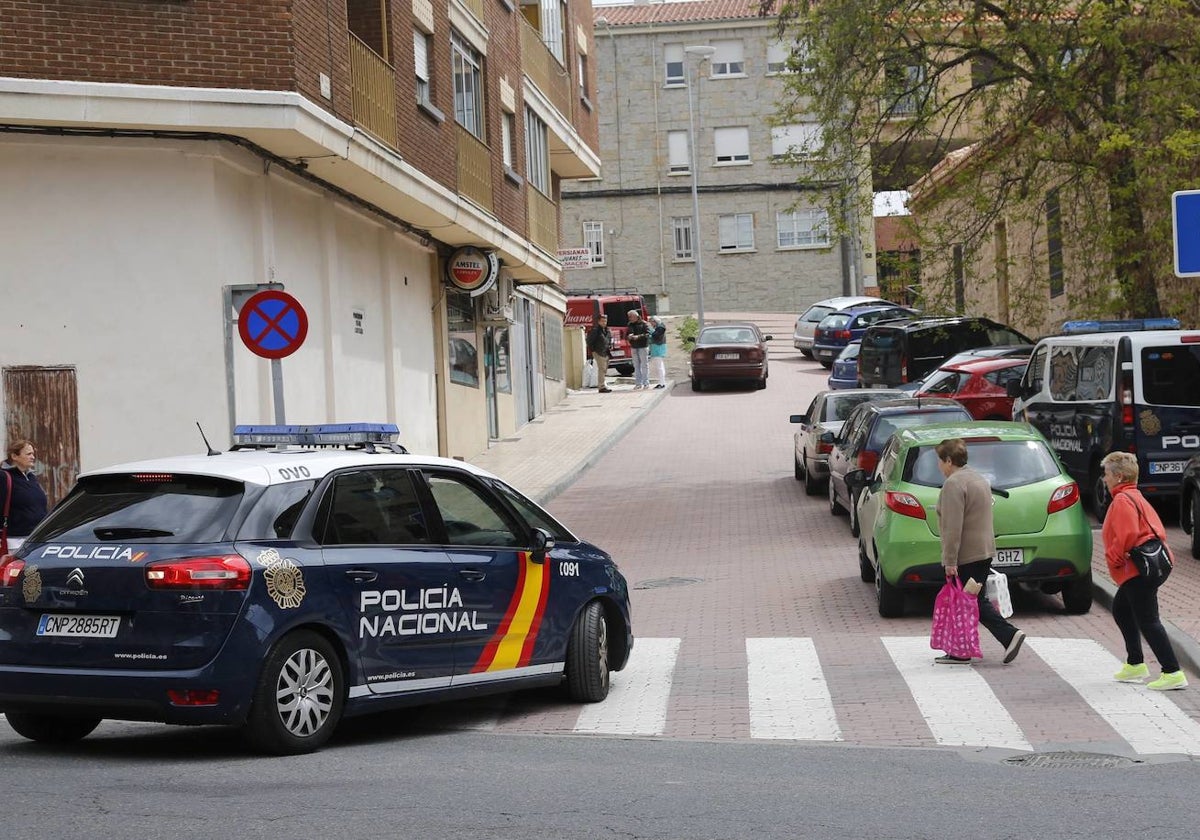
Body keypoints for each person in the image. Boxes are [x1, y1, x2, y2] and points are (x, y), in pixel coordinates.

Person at [934, 437, 1026, 665]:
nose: (938, 466)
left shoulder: (954, 484)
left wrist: (950, 559)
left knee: (968, 601)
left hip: (966, 554)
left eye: (939, 461)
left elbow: (952, 526)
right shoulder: (978, 478)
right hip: (983, 551)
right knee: (973, 599)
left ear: (948, 460)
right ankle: (967, 648)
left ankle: (1005, 636)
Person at [1100, 451, 1187, 690]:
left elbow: (1127, 535)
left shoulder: (1122, 500)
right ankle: (1135, 663)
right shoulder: (1134, 495)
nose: (1104, 479)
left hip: (1135, 570)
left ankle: (1172, 671)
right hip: (1144, 568)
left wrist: (1114, 558)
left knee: (1149, 620)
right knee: (1121, 609)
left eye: (1106, 474)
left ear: (1118, 476)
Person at [1, 439, 49, 548]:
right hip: (14, 541)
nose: (33, 457)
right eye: (28, 454)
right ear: (14, 456)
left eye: (33, 454)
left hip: (36, 538)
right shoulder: (4, 477)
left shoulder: (31, 477)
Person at [586, 314, 613, 393]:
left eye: (605, 321)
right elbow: (589, 341)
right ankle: (601, 387)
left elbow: (609, 339)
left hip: (606, 352)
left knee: (604, 369)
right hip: (598, 351)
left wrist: (610, 346)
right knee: (602, 369)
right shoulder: (595, 330)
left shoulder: (607, 330)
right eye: (602, 321)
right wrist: (593, 350)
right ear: (598, 321)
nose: (604, 323)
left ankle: (603, 384)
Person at [627, 309, 650, 390]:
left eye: (631, 317)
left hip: (643, 346)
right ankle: (638, 383)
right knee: (636, 366)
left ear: (636, 316)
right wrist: (629, 337)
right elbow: (627, 334)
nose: (630, 318)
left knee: (644, 365)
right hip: (634, 346)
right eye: (629, 317)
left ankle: (646, 383)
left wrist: (638, 336)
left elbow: (647, 334)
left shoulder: (644, 323)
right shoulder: (629, 324)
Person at [648, 316, 668, 389]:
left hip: (658, 348)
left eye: (651, 322)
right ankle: (662, 382)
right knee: (660, 366)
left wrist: (650, 331)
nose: (651, 324)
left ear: (654, 321)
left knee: (659, 367)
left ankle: (662, 383)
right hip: (657, 348)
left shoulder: (660, 328)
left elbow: (655, 336)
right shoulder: (659, 327)